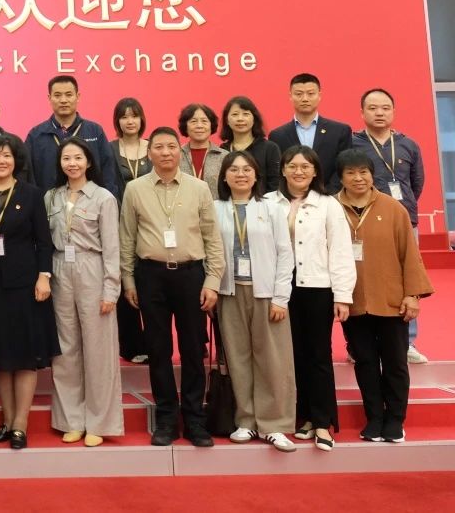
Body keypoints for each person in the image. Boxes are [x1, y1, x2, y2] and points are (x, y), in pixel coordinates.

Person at [120, 126, 224, 448]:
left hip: (191, 275)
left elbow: (212, 237)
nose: (165, 152)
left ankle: (194, 419)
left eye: (171, 147)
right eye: (159, 147)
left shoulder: (199, 188)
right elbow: (127, 238)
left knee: (193, 349)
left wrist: (213, 281)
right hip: (150, 276)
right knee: (158, 349)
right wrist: (128, 280)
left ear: (180, 151)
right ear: (148, 152)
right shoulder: (134, 189)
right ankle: (166, 417)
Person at [335, 148, 434, 443]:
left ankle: (395, 419)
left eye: (363, 172)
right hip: (353, 300)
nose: (358, 178)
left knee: (395, 363)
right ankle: (374, 418)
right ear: (340, 178)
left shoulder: (393, 208)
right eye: (351, 173)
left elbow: (410, 254)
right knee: (365, 362)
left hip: (391, 299)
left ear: (372, 174)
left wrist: (412, 295)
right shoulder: (331, 209)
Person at [0, 135, 57, 450]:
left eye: (7, 155)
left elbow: (44, 241)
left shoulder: (31, 194)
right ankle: (6, 421)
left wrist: (44, 276)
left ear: (16, 160)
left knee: (24, 355)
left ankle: (20, 424)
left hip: (24, 284)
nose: (1, 161)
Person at [264, 145, 355, 450]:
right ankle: (303, 416)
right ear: (283, 169)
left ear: (315, 171)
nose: (299, 171)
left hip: (316, 287)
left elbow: (340, 251)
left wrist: (342, 295)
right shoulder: (268, 202)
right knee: (293, 355)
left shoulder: (328, 205)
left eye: (305, 166)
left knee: (318, 355)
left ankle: (322, 422)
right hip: (279, 288)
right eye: (292, 166)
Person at [212, 150, 297, 452]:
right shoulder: (215, 208)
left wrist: (280, 297)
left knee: (272, 360)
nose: (241, 174)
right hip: (229, 293)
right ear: (224, 176)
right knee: (238, 358)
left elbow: (285, 253)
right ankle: (246, 420)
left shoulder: (271, 207)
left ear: (256, 175)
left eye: (247, 169)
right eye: (234, 170)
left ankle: (274, 424)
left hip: (265, 293)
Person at [46, 140, 123, 446]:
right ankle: (71, 420)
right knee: (65, 349)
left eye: (78, 157)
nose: (72, 163)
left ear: (89, 162)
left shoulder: (103, 197)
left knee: (98, 348)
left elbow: (112, 247)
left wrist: (111, 290)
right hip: (60, 269)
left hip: (92, 268)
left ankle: (99, 422)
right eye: (66, 158)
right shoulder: (51, 197)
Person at [352, 88, 428, 364]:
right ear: (362, 112)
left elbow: (416, 183)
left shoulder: (409, 145)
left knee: (408, 277)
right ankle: (359, 344)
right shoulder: (353, 144)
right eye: (373, 108)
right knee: (364, 278)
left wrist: (400, 210)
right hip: (363, 221)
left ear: (393, 111)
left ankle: (407, 342)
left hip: (403, 221)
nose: (379, 113)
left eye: (385, 108)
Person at [26, 75, 119, 197]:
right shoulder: (36, 135)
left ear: (77, 96)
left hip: (91, 205)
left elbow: (108, 173)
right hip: (49, 204)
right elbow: (29, 177)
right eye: (57, 95)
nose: (63, 100)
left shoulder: (95, 131)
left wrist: (108, 201)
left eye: (69, 95)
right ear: (49, 98)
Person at [109, 97, 149, 364]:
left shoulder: (153, 146)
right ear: (118, 121)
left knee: (149, 280)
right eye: (124, 116)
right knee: (125, 278)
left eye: (134, 115)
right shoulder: (109, 149)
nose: (129, 121)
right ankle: (131, 344)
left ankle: (154, 341)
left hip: (150, 223)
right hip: (118, 222)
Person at [269, 73, 354, 193]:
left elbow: (344, 167)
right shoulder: (277, 135)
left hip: (330, 197)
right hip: (291, 197)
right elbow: (277, 171)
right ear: (290, 96)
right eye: (299, 94)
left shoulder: (340, 131)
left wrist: (326, 195)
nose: (305, 99)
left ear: (319, 95)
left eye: (310, 93)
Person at [219, 96, 282, 196]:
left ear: (254, 119)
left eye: (246, 114)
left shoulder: (269, 148)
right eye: (235, 114)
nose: (240, 119)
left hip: (263, 204)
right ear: (227, 120)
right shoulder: (222, 150)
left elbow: (275, 184)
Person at [178, 103, 227, 196]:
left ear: (211, 125)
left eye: (204, 121)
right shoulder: (176, 155)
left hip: (215, 205)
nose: (199, 125)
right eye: (193, 121)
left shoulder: (225, 157)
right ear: (185, 126)